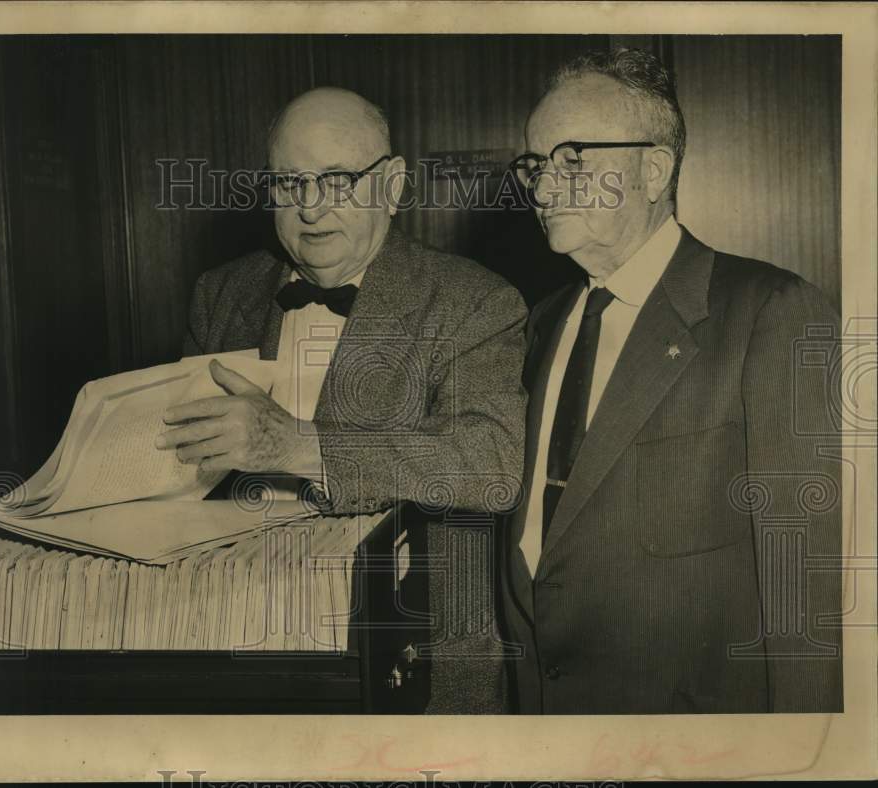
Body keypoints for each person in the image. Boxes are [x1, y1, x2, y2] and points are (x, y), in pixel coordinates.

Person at [159, 87, 528, 712]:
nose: (308, 209)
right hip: (241, 650)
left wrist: (301, 446)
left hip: (418, 656)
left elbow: (491, 463)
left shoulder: (474, 301)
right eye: (289, 183)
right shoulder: (220, 293)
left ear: (391, 184)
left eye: (335, 181)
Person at [500, 48, 843, 714]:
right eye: (536, 166)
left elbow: (808, 591)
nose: (542, 191)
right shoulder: (537, 327)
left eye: (572, 161)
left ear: (652, 169)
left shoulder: (771, 313)